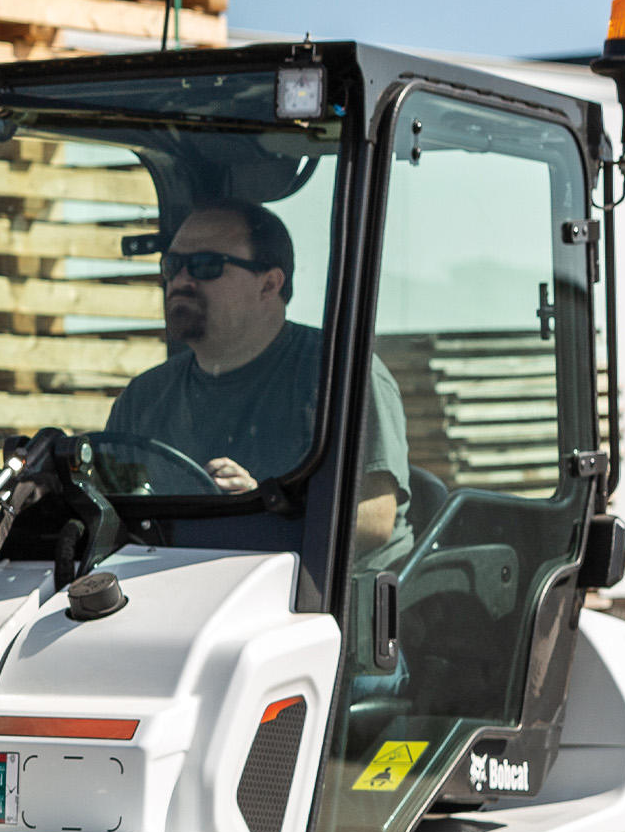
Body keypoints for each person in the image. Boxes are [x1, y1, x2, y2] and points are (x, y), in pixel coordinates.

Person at [107, 202, 411, 566]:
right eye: (172, 266)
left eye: (206, 266)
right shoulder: (144, 397)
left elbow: (374, 520)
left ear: (269, 284)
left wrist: (262, 513)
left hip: (330, 598)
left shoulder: (340, 377)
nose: (181, 281)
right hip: (195, 587)